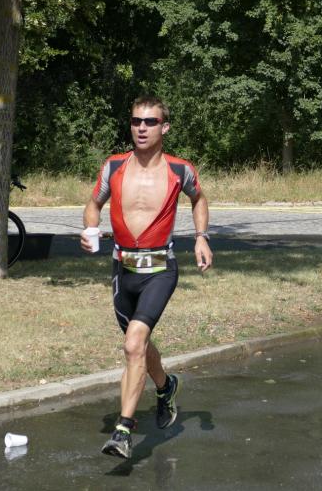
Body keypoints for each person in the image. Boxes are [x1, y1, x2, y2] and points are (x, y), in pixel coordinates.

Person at [81, 95, 213, 459]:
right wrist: (89, 230)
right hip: (122, 270)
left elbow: (199, 199)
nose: (141, 128)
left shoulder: (180, 170)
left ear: (164, 127)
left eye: (150, 122)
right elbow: (93, 204)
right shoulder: (113, 166)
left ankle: (123, 430)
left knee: (133, 344)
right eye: (136, 121)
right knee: (137, 345)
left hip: (159, 270)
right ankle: (166, 385)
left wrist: (201, 237)